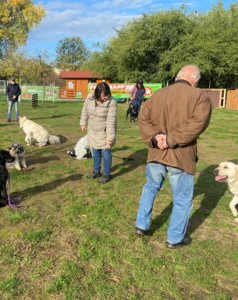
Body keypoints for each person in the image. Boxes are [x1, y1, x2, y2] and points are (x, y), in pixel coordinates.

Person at [134, 65, 212, 249]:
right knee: (182, 199)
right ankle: (175, 238)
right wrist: (164, 139)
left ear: (178, 77)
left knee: (150, 188)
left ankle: (141, 225)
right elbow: (197, 125)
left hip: (157, 153)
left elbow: (143, 119)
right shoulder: (200, 96)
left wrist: (158, 138)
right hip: (180, 157)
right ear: (195, 80)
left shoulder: (158, 94)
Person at [80, 82, 117, 183]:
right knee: (95, 151)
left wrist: (110, 139)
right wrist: (83, 122)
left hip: (104, 132)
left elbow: (111, 122)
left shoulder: (112, 102)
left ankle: (106, 174)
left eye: (107, 95)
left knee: (106, 153)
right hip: (92, 130)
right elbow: (84, 110)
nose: (106, 98)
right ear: (97, 94)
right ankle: (96, 171)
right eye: (103, 96)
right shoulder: (89, 98)